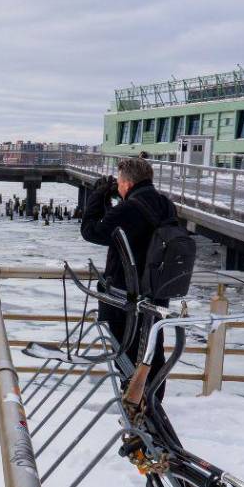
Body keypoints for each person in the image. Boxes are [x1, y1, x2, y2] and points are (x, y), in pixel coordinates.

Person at [81, 157, 176, 396]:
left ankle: (134, 408)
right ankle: (152, 405)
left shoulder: (129, 208)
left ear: (127, 182)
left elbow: (92, 232)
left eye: (120, 181)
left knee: (126, 353)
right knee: (152, 352)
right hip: (157, 292)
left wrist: (97, 196)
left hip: (127, 295)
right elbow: (128, 229)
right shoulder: (165, 204)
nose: (119, 186)